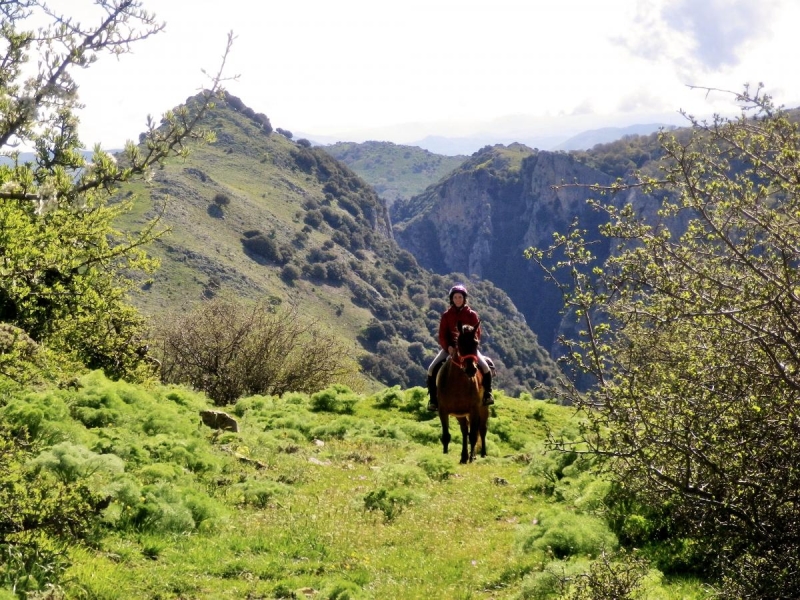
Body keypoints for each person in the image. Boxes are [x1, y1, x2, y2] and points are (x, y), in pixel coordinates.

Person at [426, 283, 494, 411]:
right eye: (455, 297)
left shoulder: (472, 315)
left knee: (485, 368)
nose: (458, 299)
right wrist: (448, 347)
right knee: (431, 369)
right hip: (450, 349)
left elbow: (477, 334)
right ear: (452, 299)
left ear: (464, 299)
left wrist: (470, 347)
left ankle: (487, 394)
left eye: (460, 297)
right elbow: (442, 335)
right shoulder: (446, 315)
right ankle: (433, 401)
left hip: (468, 349)